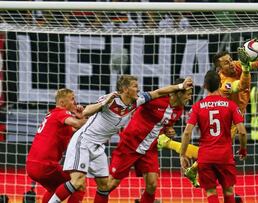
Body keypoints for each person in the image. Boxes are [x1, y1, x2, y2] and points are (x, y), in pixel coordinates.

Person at [48, 75, 193, 203]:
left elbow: (156, 95)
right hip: (91, 142)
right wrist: (95, 106)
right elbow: (87, 110)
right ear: (125, 89)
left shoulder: (138, 101)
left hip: (107, 147)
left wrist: (168, 129)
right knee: (79, 182)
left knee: (106, 187)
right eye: (135, 86)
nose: (138, 89)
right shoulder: (112, 99)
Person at [157, 41, 258, 187]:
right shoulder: (224, 82)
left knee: (212, 152)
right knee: (216, 153)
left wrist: (256, 52)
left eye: (230, 60)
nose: (231, 64)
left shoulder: (237, 65)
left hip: (232, 114)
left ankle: (193, 169)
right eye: (226, 63)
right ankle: (168, 143)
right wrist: (246, 67)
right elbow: (242, 85)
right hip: (227, 119)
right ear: (219, 69)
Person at [104, 78, 193, 203]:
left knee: (152, 185)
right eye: (188, 94)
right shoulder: (156, 100)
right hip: (130, 144)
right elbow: (141, 101)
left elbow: (165, 126)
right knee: (110, 184)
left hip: (149, 149)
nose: (190, 98)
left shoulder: (179, 110)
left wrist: (169, 130)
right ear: (178, 93)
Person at [180, 70, 248, 203]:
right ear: (220, 83)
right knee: (228, 191)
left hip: (205, 157)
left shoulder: (198, 106)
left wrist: (183, 154)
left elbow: (187, 132)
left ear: (204, 86)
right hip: (225, 157)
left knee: (211, 192)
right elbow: (243, 132)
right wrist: (243, 149)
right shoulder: (230, 105)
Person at [26, 88, 87, 203]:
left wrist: (79, 116)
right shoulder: (61, 113)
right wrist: (97, 120)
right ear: (62, 102)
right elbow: (78, 124)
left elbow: (76, 127)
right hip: (45, 166)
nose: (75, 102)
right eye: (72, 99)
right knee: (79, 183)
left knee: (55, 189)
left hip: (31, 165)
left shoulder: (52, 115)